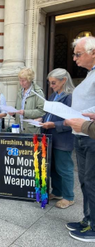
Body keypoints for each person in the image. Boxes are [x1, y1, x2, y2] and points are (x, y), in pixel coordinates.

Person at [63, 36, 95, 242]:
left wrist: (83, 118)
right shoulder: (90, 75)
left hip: (90, 135)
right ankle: (88, 219)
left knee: (91, 181)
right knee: (84, 181)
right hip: (81, 135)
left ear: (93, 52)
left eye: (78, 54)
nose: (74, 59)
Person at [37, 68, 75, 209]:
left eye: (54, 83)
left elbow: (73, 121)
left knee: (64, 168)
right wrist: (42, 119)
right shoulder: (54, 95)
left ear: (64, 80)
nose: (51, 86)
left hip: (63, 139)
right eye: (50, 83)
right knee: (53, 167)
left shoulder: (70, 97)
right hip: (50, 137)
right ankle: (58, 192)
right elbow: (49, 113)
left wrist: (53, 124)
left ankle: (69, 197)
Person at [9, 68, 45, 133]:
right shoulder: (20, 91)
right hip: (19, 129)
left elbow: (41, 111)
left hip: (31, 130)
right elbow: (18, 109)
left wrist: (25, 112)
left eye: (23, 81)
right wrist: (14, 113)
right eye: (20, 80)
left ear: (29, 80)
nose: (21, 83)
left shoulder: (38, 92)